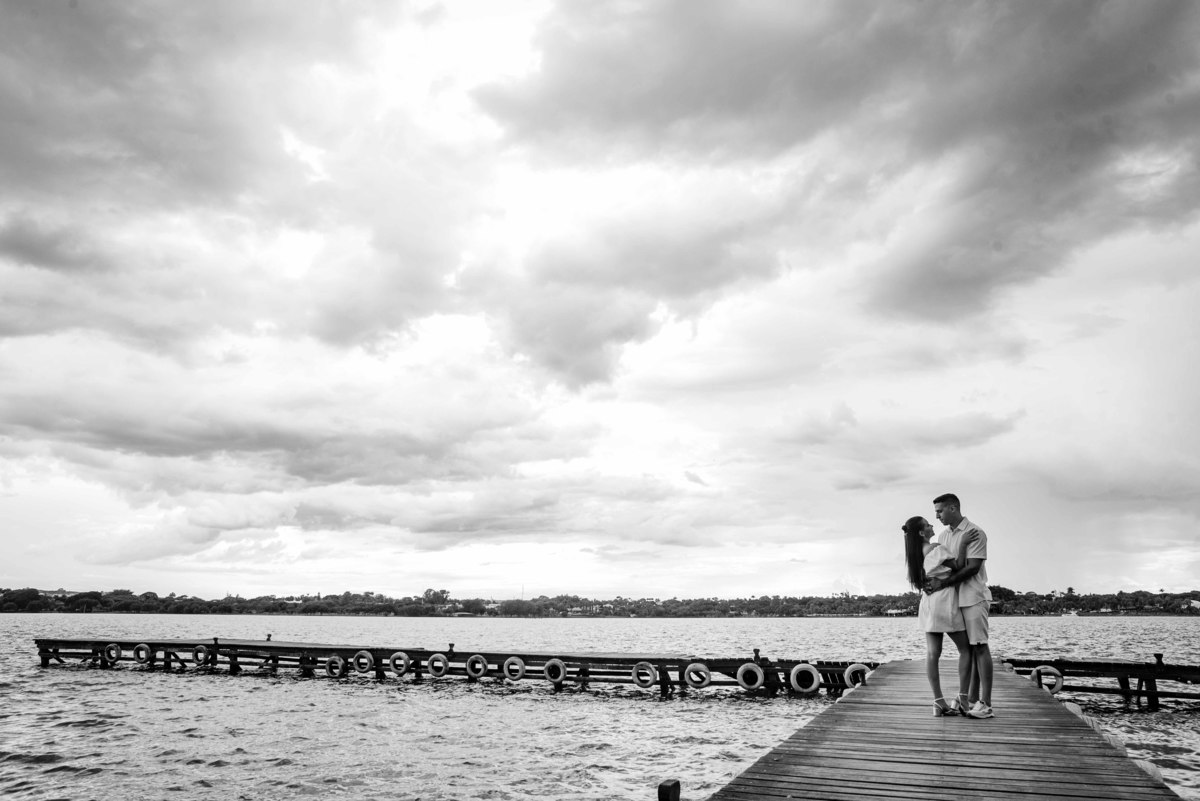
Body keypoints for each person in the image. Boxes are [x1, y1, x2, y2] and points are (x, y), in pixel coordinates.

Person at [926, 493, 994, 719]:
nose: (937, 516)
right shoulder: (943, 536)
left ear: (953, 508)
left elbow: (972, 568)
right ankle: (971, 699)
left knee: (980, 647)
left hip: (973, 597)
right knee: (969, 650)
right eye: (936, 512)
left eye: (940, 511)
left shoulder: (975, 532)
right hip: (953, 600)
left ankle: (986, 704)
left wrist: (943, 583)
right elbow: (947, 566)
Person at [902, 516, 971, 716]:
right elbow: (959, 565)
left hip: (928, 603)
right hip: (944, 601)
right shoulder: (934, 548)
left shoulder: (914, 555)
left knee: (933, 653)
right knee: (966, 650)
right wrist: (963, 543)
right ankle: (963, 697)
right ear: (922, 532)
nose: (932, 525)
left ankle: (938, 701)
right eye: (927, 524)